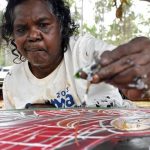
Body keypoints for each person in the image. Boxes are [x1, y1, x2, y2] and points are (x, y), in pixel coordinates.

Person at [0, 0, 149, 109]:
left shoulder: (84, 52)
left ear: (62, 26)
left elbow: (121, 59)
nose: (33, 35)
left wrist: (139, 63)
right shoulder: (12, 82)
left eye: (43, 25)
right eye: (21, 29)